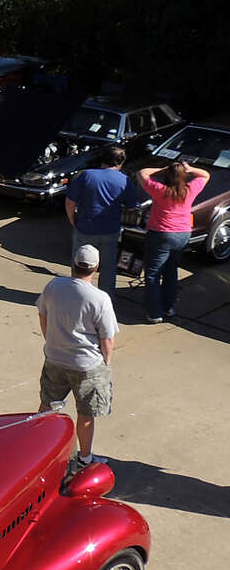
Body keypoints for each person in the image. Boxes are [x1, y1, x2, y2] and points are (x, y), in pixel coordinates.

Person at [37, 244, 118, 471]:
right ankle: (84, 458)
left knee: (48, 406)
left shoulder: (54, 286)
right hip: (87, 365)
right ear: (96, 268)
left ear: (73, 264)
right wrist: (107, 360)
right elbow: (107, 338)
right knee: (86, 413)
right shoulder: (100, 299)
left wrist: (50, 340)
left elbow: (42, 313)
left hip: (54, 358)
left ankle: (41, 451)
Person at [134, 159, 210, 323]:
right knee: (171, 271)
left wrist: (163, 169)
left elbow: (142, 172)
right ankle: (168, 307)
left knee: (153, 274)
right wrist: (189, 169)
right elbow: (205, 175)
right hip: (182, 234)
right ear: (184, 177)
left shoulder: (160, 190)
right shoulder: (189, 190)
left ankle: (154, 312)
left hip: (160, 234)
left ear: (167, 176)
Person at [65, 145, 130, 298]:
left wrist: (72, 218)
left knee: (80, 263)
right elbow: (131, 206)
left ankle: (77, 296)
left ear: (103, 159)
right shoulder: (125, 180)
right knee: (108, 267)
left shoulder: (87, 175)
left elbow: (70, 201)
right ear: (120, 162)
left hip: (85, 228)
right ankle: (106, 299)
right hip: (110, 231)